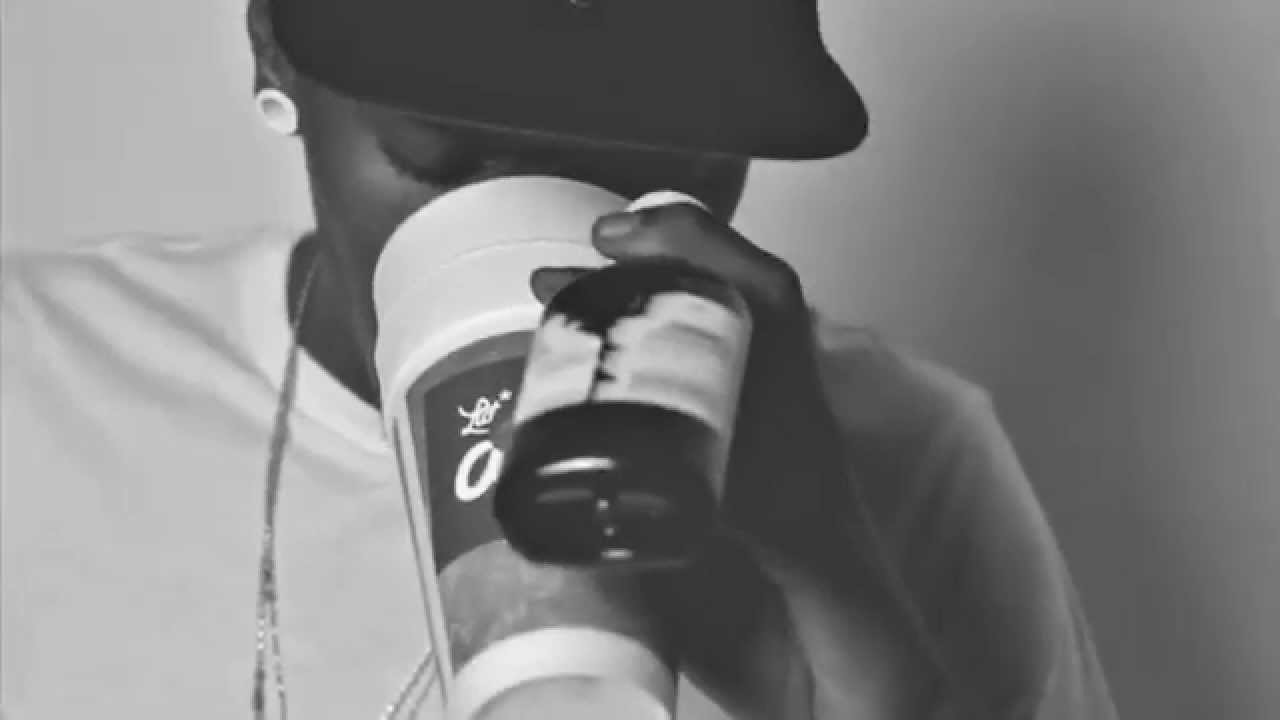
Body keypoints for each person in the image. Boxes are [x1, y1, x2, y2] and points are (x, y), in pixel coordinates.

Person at [0, 0, 1119, 718]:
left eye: (649, 168)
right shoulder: (35, 375)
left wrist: (840, 643)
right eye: (444, 162)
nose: (547, 249)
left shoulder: (907, 459)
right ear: (274, 52)